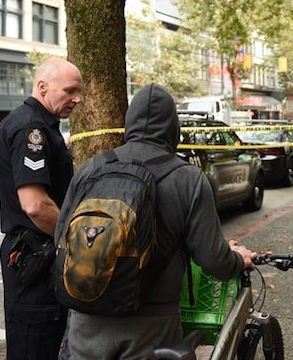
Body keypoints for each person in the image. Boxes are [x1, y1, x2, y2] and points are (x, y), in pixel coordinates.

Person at [63, 83, 257, 360]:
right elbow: (214, 260)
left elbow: (61, 239)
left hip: (85, 322)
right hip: (152, 328)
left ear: (128, 122)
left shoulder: (90, 169)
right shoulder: (187, 178)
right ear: (173, 129)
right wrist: (238, 259)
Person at [0, 57, 83, 359]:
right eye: (70, 90)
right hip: (35, 259)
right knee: (34, 346)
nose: (77, 99)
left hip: (36, 256)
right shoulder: (32, 129)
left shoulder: (34, 124)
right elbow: (35, 206)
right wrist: (76, 240)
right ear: (43, 87)